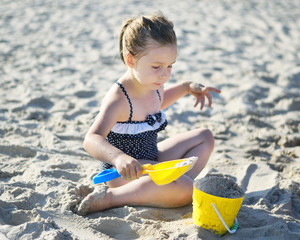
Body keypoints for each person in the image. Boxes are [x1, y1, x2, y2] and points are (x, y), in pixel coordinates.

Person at [75, 11, 221, 214]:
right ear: (131, 60)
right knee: (188, 191)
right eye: (156, 66)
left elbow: (158, 103)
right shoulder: (120, 98)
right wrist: (119, 158)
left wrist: (187, 87)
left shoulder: (154, 83)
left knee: (204, 137)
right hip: (124, 173)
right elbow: (91, 139)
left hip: (151, 158)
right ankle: (112, 199)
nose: (164, 74)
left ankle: (171, 185)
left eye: (170, 66)